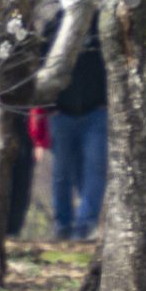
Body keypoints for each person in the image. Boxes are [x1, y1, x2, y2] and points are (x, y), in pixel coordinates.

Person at [51, 22, 109, 240]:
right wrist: (50, 104)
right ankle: (62, 225)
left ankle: (85, 224)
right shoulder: (55, 26)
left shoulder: (101, 27)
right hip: (61, 113)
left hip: (95, 112)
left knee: (95, 169)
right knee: (61, 174)